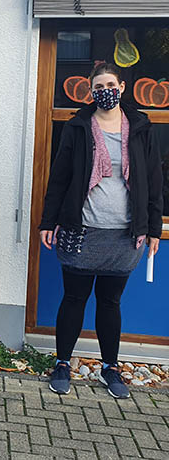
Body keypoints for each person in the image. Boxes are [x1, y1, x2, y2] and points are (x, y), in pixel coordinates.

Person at [40, 63, 161, 399]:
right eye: (98, 86)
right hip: (83, 230)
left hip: (124, 234)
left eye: (110, 84)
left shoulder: (139, 126)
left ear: (121, 87)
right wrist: (48, 221)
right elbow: (60, 177)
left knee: (110, 302)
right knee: (74, 299)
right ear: (91, 92)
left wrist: (153, 228)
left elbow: (153, 180)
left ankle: (110, 367)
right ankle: (63, 362)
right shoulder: (78, 126)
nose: (104, 91)